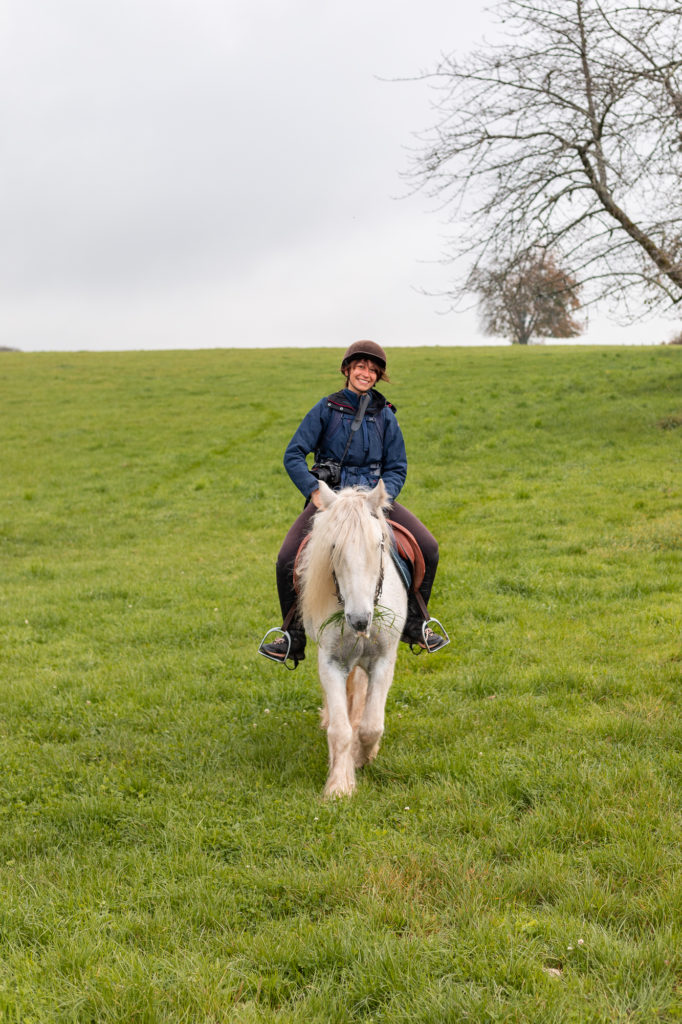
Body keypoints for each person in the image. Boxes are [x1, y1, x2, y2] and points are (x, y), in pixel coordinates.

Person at [258, 340, 448, 666]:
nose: (366, 374)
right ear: (347, 369)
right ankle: (293, 635)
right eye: (361, 367)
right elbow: (293, 455)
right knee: (286, 557)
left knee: (428, 547)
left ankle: (417, 623)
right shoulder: (326, 409)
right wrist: (314, 490)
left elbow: (397, 466)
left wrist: (381, 499)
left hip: (372, 502)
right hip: (330, 502)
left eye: (373, 370)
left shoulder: (386, 416)